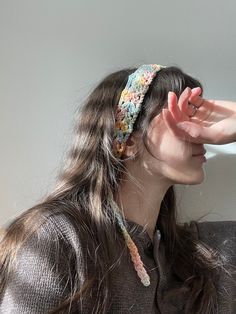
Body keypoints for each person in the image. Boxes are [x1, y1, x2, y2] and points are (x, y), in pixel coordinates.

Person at [0, 64, 235, 314]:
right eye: (186, 114)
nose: (201, 133)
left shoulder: (208, 251)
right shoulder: (59, 237)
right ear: (129, 141)